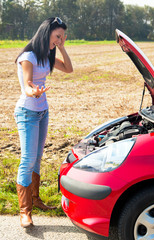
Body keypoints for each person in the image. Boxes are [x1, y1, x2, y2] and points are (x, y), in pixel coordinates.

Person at [14, 17, 73, 228]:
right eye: (57, 36)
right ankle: (24, 211)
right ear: (46, 33)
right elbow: (27, 87)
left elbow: (69, 69)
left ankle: (35, 199)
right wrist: (34, 92)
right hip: (27, 113)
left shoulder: (48, 55)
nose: (59, 40)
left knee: (37, 157)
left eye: (62, 37)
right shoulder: (28, 56)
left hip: (42, 112)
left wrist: (62, 48)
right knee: (28, 159)